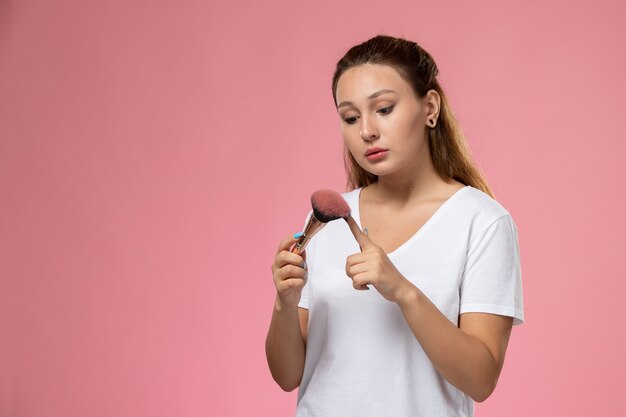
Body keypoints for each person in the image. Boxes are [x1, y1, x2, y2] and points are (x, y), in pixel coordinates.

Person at [265, 34, 524, 417]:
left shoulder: (482, 222)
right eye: (350, 118)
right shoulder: (328, 219)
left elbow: (481, 379)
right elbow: (288, 376)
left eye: (383, 109)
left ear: (430, 107)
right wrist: (284, 304)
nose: (366, 130)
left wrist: (403, 291)